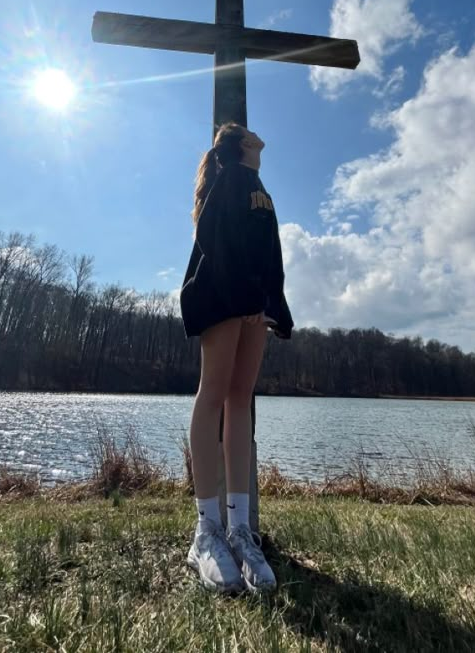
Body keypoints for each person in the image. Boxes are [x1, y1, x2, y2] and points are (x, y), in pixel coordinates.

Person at [180, 122, 293, 594]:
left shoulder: (259, 186)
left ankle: (240, 531)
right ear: (240, 145)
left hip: (256, 304)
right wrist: (244, 293)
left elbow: (271, 250)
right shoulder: (229, 177)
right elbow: (213, 237)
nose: (262, 142)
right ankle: (205, 532)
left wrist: (275, 304)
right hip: (224, 296)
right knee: (214, 395)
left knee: (241, 400)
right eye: (254, 138)